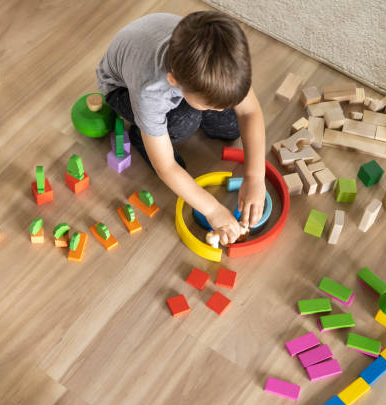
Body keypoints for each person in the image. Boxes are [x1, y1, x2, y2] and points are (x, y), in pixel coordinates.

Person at [96, 11, 267, 245]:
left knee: (230, 127)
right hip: (121, 90)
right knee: (183, 124)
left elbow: (249, 112)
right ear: (175, 82)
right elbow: (167, 167)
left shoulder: (227, 63)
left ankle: (194, 110)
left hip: (167, 56)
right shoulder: (151, 91)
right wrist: (213, 210)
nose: (220, 109)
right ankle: (141, 134)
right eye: (212, 105)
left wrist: (255, 177)